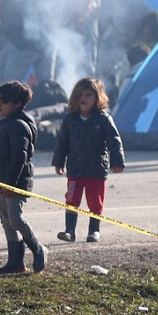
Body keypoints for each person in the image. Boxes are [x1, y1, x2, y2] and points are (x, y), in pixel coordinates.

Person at [52, 77, 125, 243]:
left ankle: (94, 230)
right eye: (80, 95)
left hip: (96, 169)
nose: (83, 98)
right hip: (75, 169)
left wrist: (117, 162)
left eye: (88, 95)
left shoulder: (103, 119)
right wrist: (58, 162)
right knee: (71, 199)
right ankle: (70, 230)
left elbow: (114, 141)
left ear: (97, 98)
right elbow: (62, 143)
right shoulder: (70, 120)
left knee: (95, 202)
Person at [0, 80, 46, 275]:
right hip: (1, 179)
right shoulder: (5, 123)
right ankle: (15, 262)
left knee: (16, 219)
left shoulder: (19, 126)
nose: (0, 105)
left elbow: (19, 158)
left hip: (15, 181)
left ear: (18, 103)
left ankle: (39, 248)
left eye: (4, 101)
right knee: (6, 221)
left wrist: (11, 184)